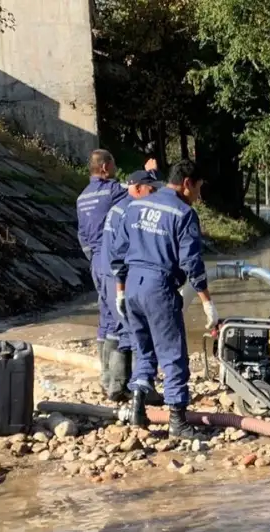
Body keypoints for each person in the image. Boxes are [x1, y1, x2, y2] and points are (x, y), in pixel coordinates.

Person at [111, 159, 218, 441]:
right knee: (173, 355)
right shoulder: (183, 213)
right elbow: (192, 263)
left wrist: (120, 290)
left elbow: (118, 252)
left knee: (143, 349)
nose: (197, 195)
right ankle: (178, 421)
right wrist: (207, 301)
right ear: (187, 183)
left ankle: (137, 410)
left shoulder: (134, 206)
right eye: (198, 189)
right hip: (159, 287)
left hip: (132, 284)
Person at [99, 169, 163, 402]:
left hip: (106, 273)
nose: (154, 194)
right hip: (120, 277)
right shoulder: (131, 210)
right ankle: (141, 390)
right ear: (137, 189)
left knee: (118, 329)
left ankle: (114, 385)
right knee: (138, 332)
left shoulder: (119, 206)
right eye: (151, 189)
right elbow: (127, 251)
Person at [76, 150, 129, 393]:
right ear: (106, 167)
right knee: (121, 319)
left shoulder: (82, 197)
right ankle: (117, 384)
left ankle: (105, 377)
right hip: (111, 260)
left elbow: (82, 236)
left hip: (95, 262)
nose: (117, 167)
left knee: (106, 319)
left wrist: (94, 258)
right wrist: (150, 173)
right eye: (115, 163)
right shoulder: (112, 191)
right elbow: (138, 192)